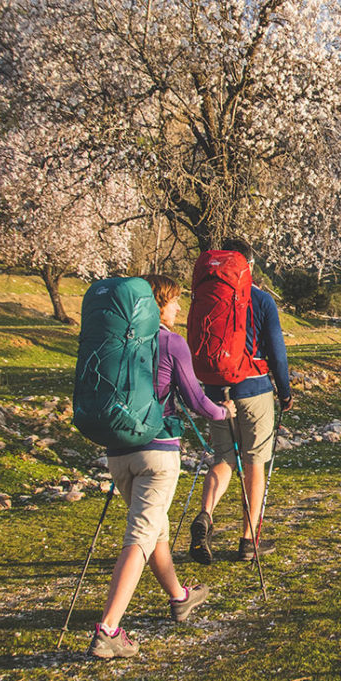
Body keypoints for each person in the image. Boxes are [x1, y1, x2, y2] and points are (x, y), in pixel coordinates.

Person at [88, 274, 235, 659]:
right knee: (141, 536)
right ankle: (109, 630)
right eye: (173, 302)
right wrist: (224, 411)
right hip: (157, 453)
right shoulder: (170, 342)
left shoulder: (116, 342)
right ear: (157, 305)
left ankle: (179, 597)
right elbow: (197, 401)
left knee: (156, 530)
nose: (178, 308)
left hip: (118, 452)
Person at [190, 239, 293, 565]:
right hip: (253, 389)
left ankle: (205, 515)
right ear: (248, 265)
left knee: (223, 457)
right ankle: (249, 540)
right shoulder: (260, 299)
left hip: (214, 388)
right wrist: (285, 391)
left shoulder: (206, 295)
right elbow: (276, 350)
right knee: (254, 462)